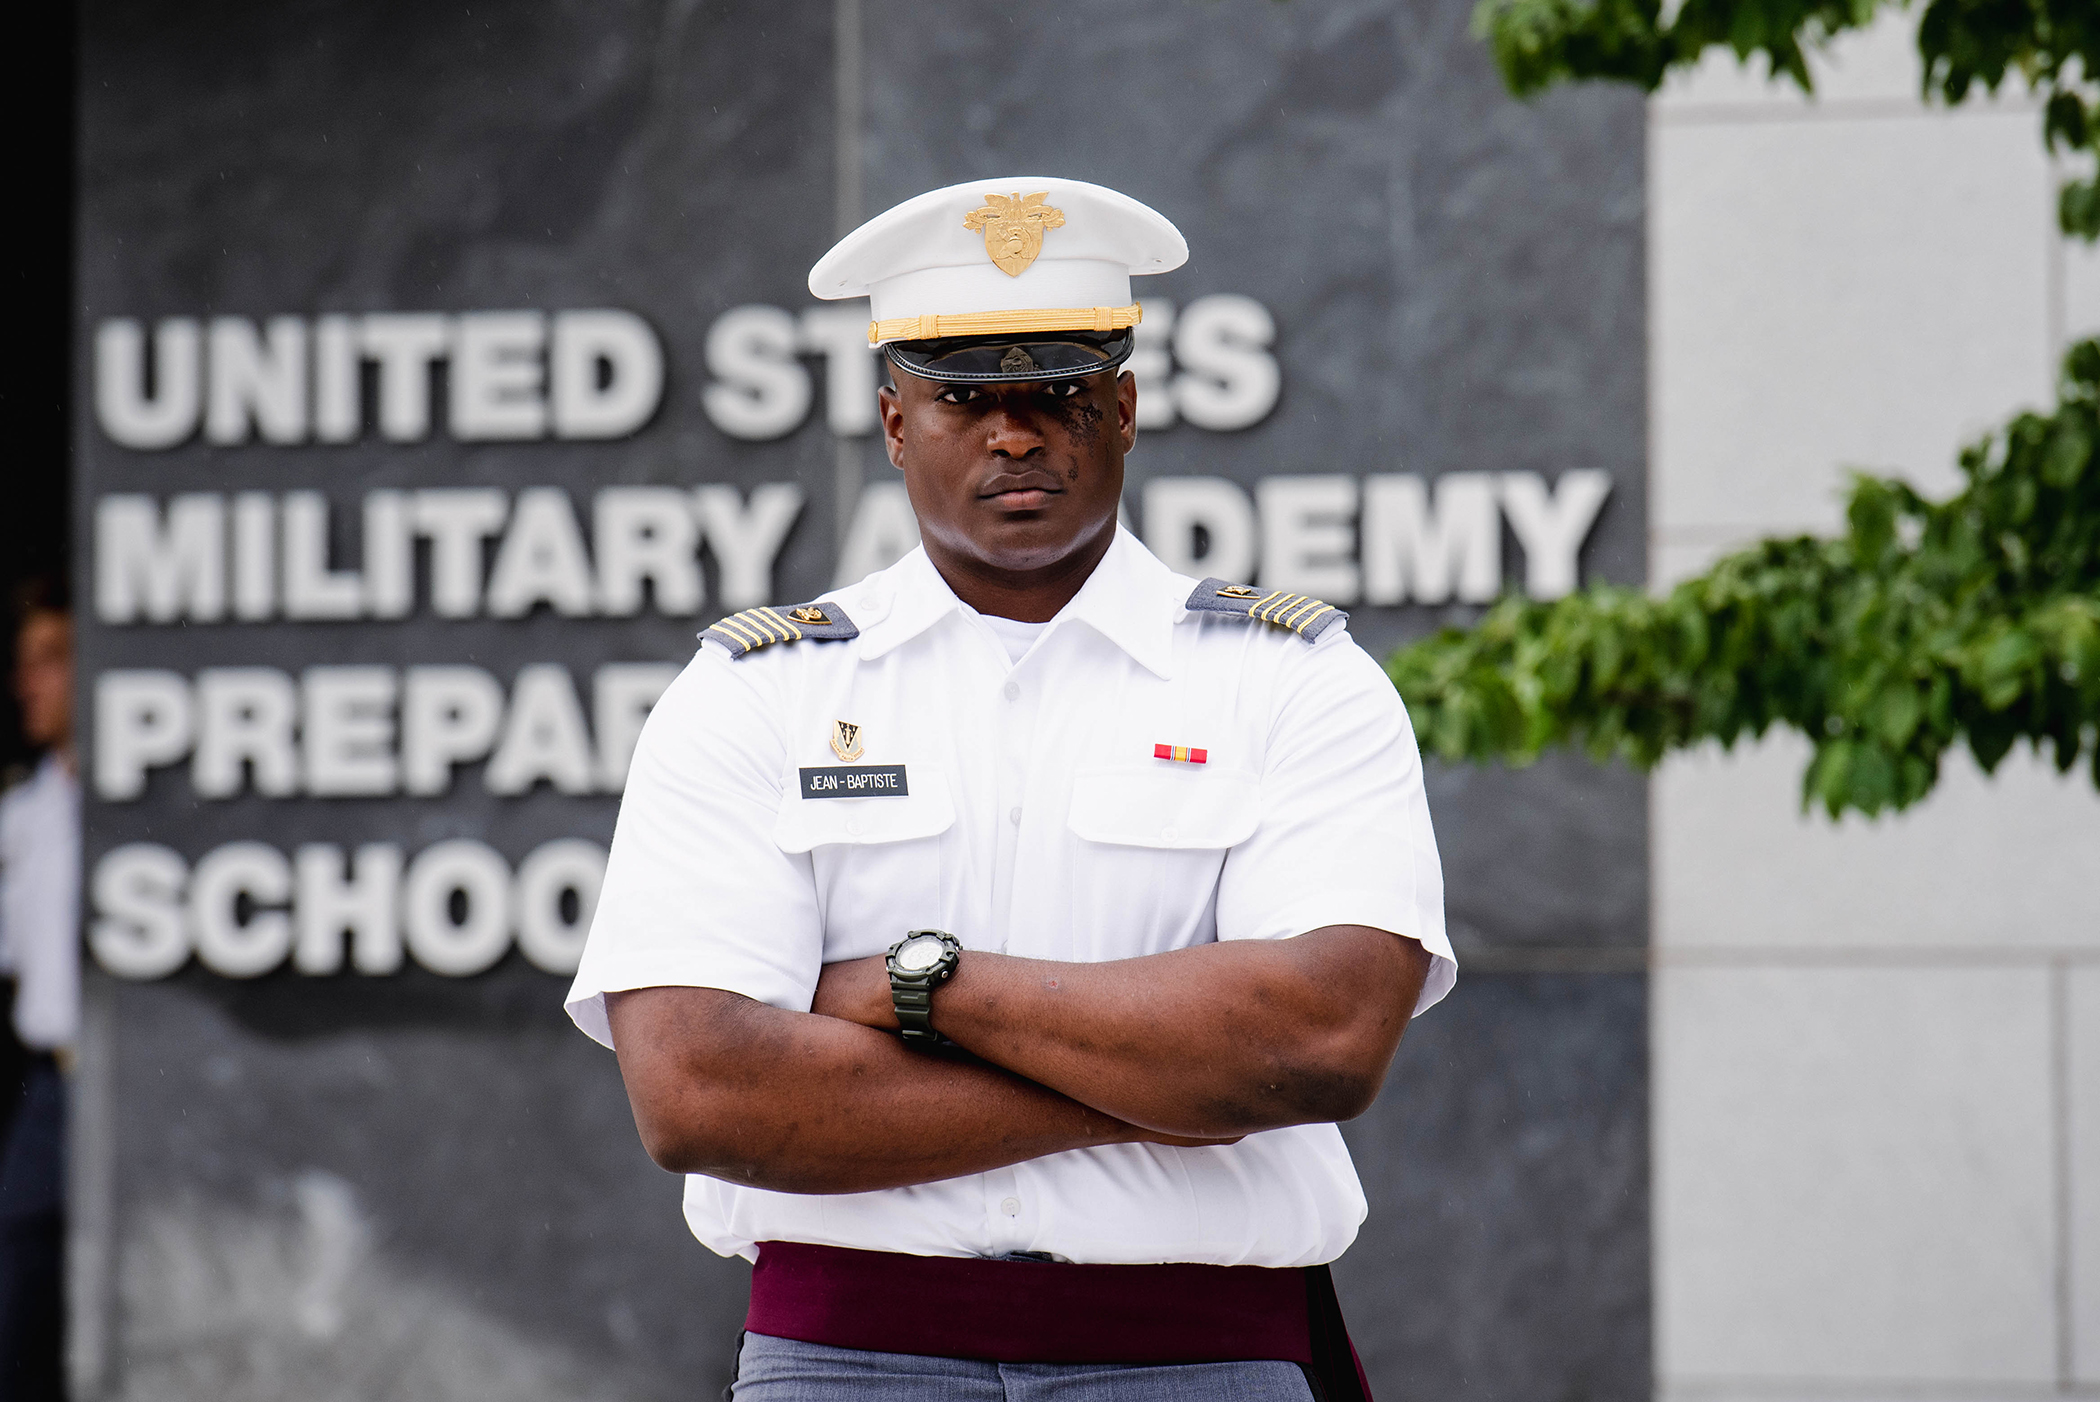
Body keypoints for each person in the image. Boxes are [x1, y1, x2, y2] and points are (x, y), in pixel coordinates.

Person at [566, 177, 1456, 1401]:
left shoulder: (1296, 681)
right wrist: (1177, 1088)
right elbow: (701, 1089)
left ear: (1128, 407)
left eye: (1059, 392)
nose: (1015, 432)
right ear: (892, 422)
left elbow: (1321, 1039)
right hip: (844, 1361)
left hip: (1198, 1358)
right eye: (965, 397)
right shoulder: (751, 692)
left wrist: (914, 987)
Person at [0, 577, 77, 1399]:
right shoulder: (21, 815)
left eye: (52, 660)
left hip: (149, 1075)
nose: (31, 683)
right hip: (55, 1083)